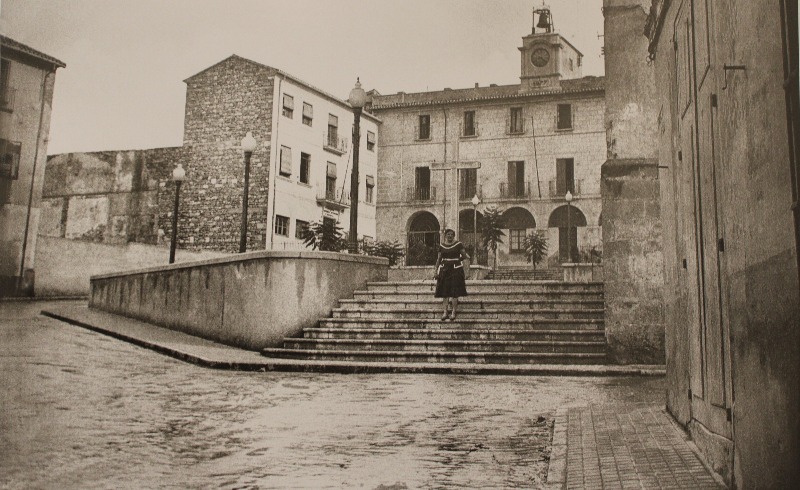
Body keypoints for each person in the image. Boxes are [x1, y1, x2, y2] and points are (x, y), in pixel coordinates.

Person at [434, 229, 470, 320]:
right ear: (445, 235)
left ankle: (453, 312)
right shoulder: (441, 246)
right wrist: (435, 271)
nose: (450, 236)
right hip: (444, 270)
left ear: (454, 236)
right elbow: (438, 259)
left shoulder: (458, 244)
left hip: (456, 270)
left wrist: (457, 260)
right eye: (448, 234)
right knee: (444, 292)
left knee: (454, 292)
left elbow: (464, 256)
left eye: (451, 234)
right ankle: (445, 312)